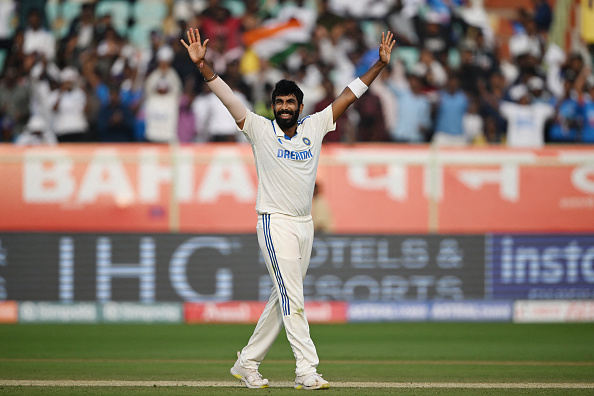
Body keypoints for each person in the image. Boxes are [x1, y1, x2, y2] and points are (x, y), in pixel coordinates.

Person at [181, 27, 395, 390]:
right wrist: (204, 67)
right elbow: (229, 99)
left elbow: (350, 94)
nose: (283, 108)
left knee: (282, 296)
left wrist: (378, 64)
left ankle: (246, 363)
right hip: (274, 222)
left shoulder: (315, 126)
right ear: (273, 106)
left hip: (304, 224)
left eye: (289, 103)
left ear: (299, 106)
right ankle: (306, 371)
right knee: (293, 296)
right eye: (278, 103)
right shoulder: (260, 130)